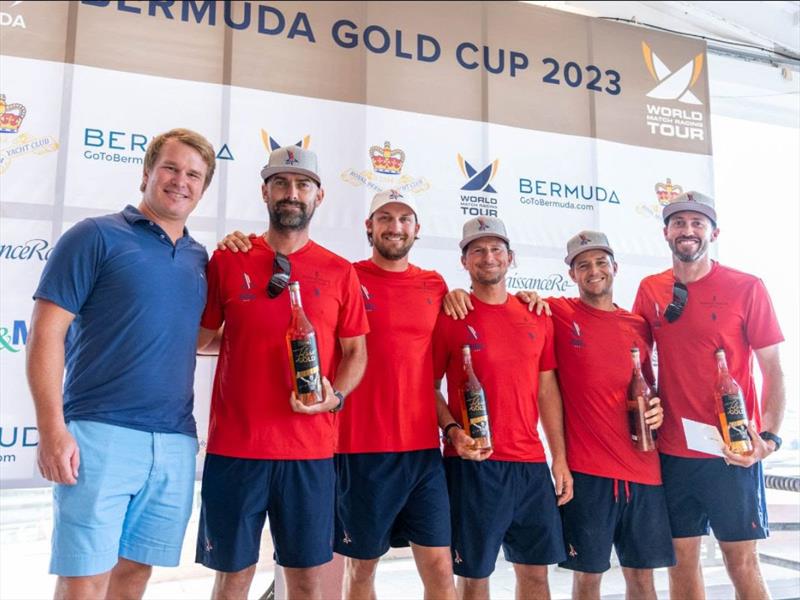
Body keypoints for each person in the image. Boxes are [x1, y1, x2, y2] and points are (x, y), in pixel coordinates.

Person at [218, 188, 457, 599]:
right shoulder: (344, 273)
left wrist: (464, 294)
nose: (394, 227)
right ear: (369, 226)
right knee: (361, 570)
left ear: (418, 229)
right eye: (384, 218)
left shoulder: (436, 285)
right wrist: (241, 242)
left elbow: (437, 365)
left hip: (422, 452)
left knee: (439, 566)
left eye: (404, 219)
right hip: (356, 449)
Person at [26, 128, 216, 600]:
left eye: (193, 174)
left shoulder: (200, 258)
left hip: (174, 441)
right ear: (146, 172)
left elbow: (200, 338)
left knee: (134, 575)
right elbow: (47, 333)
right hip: (99, 435)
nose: (180, 181)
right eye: (170, 168)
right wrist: (52, 428)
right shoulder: (94, 236)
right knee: (84, 578)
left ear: (204, 187)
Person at [443, 230, 675, 600]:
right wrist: (455, 294)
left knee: (638, 581)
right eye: (583, 265)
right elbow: (431, 380)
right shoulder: (555, 312)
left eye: (600, 263)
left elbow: (646, 386)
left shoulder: (634, 325)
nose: (593, 271)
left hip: (634, 469)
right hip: (570, 472)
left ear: (615, 267)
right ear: (572, 274)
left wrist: (659, 407)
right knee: (575, 579)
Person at [195, 146, 369, 600]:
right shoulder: (229, 259)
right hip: (236, 448)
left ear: (319, 196)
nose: (292, 193)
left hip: (309, 451)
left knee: (308, 580)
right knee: (232, 577)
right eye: (281, 183)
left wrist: (337, 397)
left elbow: (356, 354)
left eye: (302, 184)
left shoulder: (340, 271)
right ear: (265, 192)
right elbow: (201, 339)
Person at [632, 191, 786, 600]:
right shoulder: (650, 289)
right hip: (674, 453)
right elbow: (635, 364)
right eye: (679, 223)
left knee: (742, 563)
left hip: (731, 453)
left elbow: (772, 368)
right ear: (666, 232)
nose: (688, 231)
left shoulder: (747, 286)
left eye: (697, 224)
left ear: (713, 232)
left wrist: (767, 438)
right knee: (681, 563)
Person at [433, 216, 572, 600]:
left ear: (510, 258)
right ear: (464, 262)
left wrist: (558, 458)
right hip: (474, 465)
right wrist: (453, 432)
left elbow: (547, 391)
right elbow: (429, 389)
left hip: (529, 466)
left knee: (536, 578)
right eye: (477, 250)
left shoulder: (537, 315)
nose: (487, 257)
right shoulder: (450, 316)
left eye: (495, 249)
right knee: (475, 579)